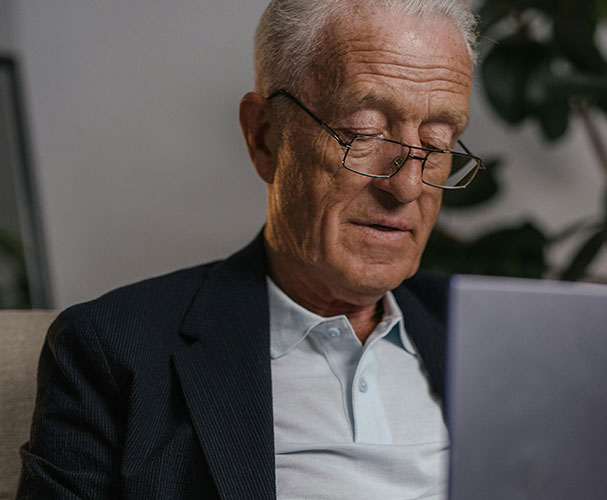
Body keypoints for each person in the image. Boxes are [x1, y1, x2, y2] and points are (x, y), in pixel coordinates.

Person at [17, 0, 480, 498]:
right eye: (364, 134)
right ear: (264, 136)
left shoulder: (491, 330)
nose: (407, 187)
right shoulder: (114, 348)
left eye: (436, 145)